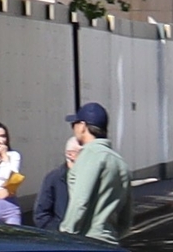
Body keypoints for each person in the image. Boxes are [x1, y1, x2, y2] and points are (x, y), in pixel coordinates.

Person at [60, 102, 131, 243]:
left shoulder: (90, 155)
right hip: (110, 242)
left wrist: (66, 234)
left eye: (74, 124)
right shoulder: (119, 162)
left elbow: (80, 201)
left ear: (83, 126)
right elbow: (126, 215)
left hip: (87, 241)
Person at [31, 134, 80, 229]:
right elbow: (41, 214)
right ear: (70, 154)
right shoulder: (54, 178)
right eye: (84, 152)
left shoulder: (90, 177)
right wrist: (60, 231)